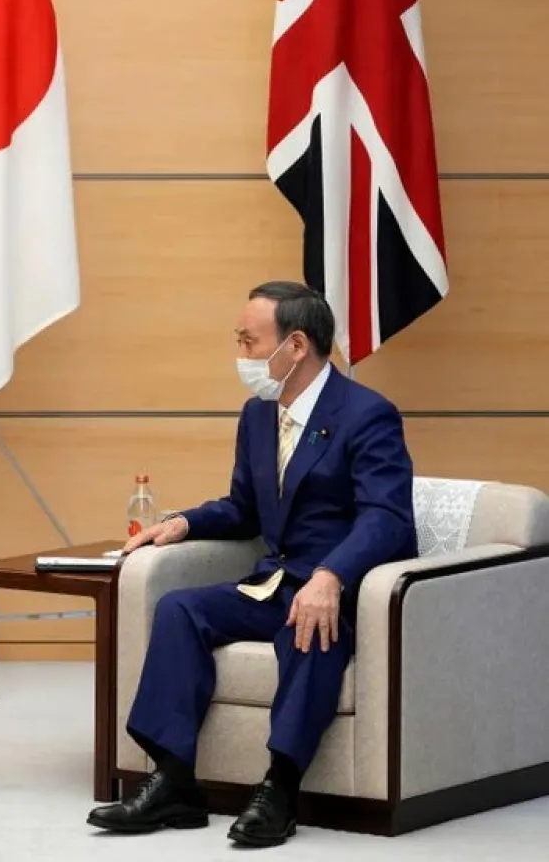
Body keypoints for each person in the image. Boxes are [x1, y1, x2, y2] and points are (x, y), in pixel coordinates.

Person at [87, 281, 416, 848]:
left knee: (311, 629)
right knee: (181, 610)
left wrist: (331, 576)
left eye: (248, 342)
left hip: (338, 590)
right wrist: (183, 523)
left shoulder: (367, 415)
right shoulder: (258, 415)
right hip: (274, 583)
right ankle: (173, 782)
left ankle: (280, 788)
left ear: (294, 346)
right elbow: (244, 506)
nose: (241, 357)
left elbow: (387, 518)